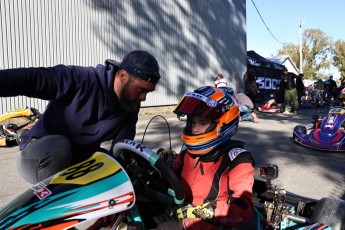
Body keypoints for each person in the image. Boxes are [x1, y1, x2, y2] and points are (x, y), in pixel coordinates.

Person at [0, 50, 161, 184]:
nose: (144, 98)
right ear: (123, 75)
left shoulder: (130, 106)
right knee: (60, 146)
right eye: (141, 90)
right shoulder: (81, 79)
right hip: (40, 157)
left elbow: (121, 148)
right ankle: (56, 213)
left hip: (77, 161)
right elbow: (32, 79)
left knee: (113, 164)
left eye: (148, 92)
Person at [158, 86, 256, 229]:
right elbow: (170, 177)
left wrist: (202, 211)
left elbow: (242, 208)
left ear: (223, 125)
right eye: (193, 122)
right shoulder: (187, 151)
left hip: (207, 223)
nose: (195, 129)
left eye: (203, 123)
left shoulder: (238, 159)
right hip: (178, 211)